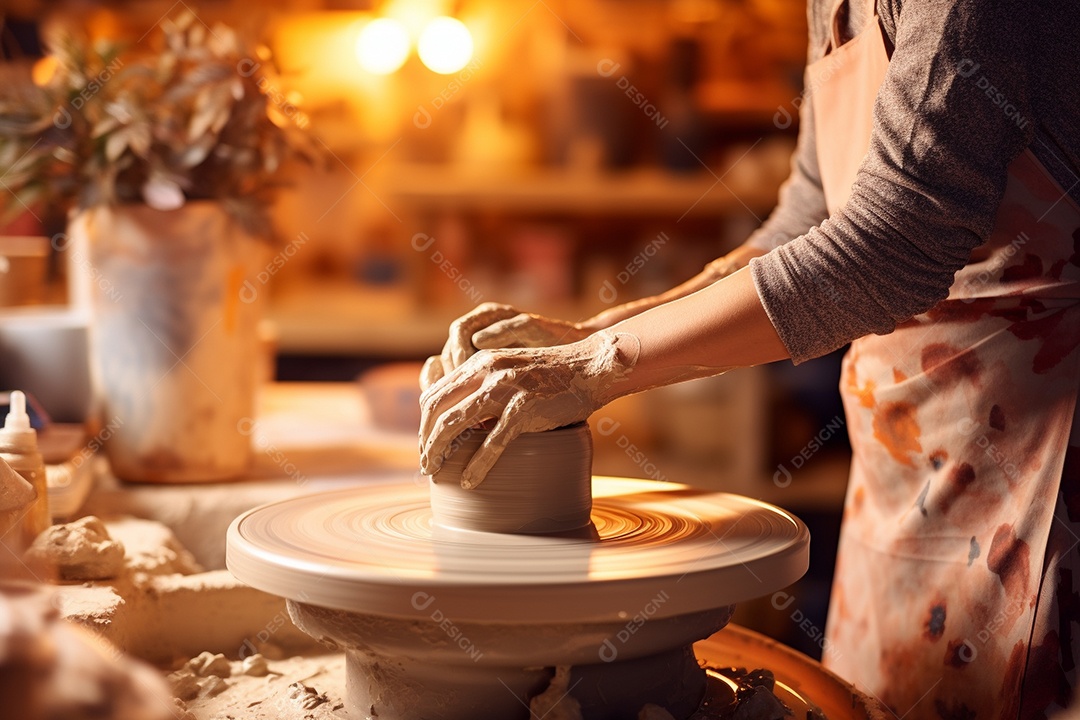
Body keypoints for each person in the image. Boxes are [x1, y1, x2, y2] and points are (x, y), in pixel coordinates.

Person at [418, 0, 1080, 716]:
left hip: (1038, 462)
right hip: (904, 454)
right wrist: (593, 336)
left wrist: (598, 367)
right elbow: (811, 215)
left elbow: (891, 246)